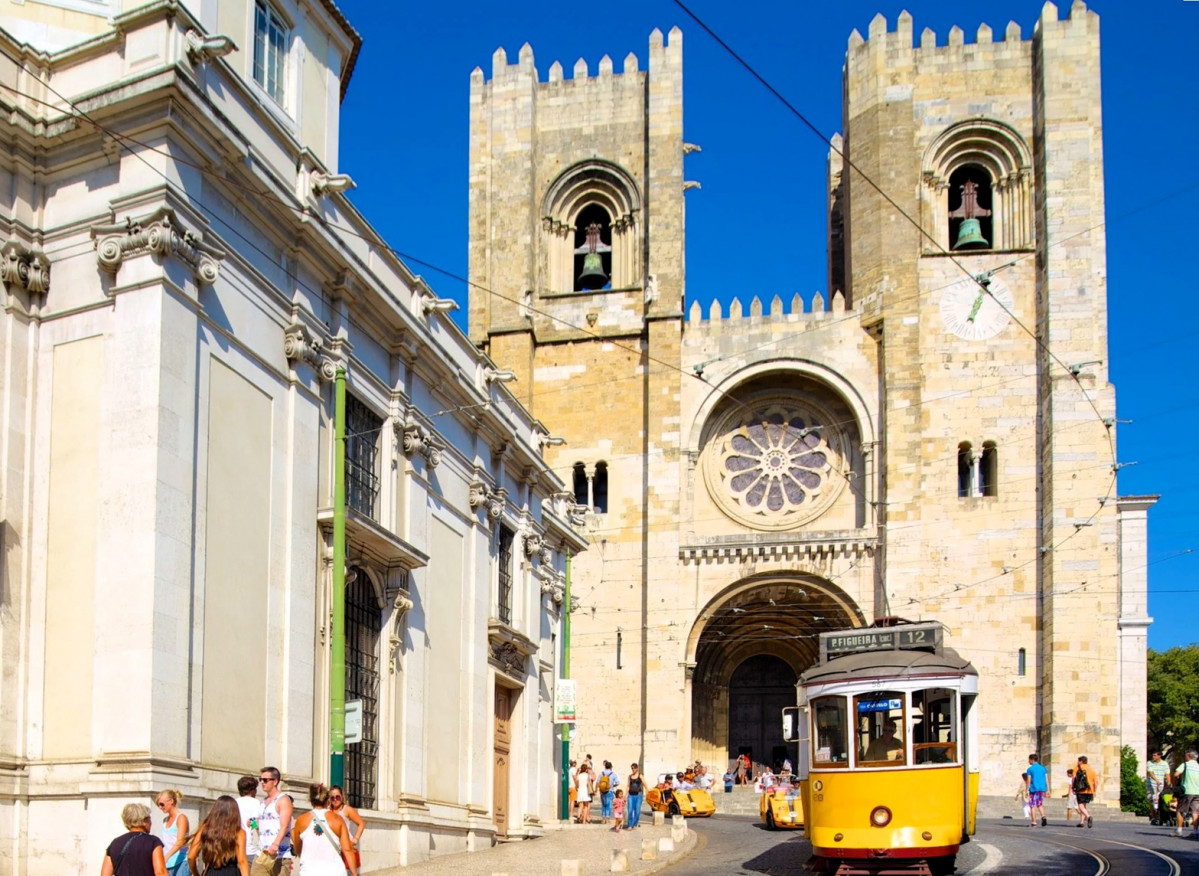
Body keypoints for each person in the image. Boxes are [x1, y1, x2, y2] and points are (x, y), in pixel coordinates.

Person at [290, 784, 358, 876]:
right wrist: (354, 872)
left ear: (311, 801)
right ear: (328, 801)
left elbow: (298, 850)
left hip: (309, 871)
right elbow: (347, 849)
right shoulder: (337, 820)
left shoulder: (301, 820)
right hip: (335, 871)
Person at [186, 794, 249, 876]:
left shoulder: (205, 828)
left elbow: (191, 856)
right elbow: (242, 861)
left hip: (211, 872)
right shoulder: (238, 832)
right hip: (231, 873)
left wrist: (195, 873)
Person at [101, 802, 167, 876]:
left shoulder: (115, 843)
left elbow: (105, 874)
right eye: (149, 819)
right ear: (144, 820)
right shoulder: (153, 842)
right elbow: (160, 872)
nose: (151, 822)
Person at [251, 766, 293, 875]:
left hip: (280, 855)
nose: (262, 783)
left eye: (265, 780)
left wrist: (275, 844)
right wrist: (253, 822)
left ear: (275, 781)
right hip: (262, 854)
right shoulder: (263, 802)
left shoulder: (283, 800)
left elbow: (284, 825)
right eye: (261, 780)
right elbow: (260, 828)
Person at [328, 784, 364, 871]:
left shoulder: (347, 809)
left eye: (337, 797)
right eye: (332, 798)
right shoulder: (328, 810)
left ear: (342, 796)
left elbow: (361, 823)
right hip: (332, 847)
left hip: (346, 846)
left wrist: (356, 838)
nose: (335, 800)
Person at [156, 789, 190, 876]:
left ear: (171, 801)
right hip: (167, 863)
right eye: (158, 805)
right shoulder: (165, 820)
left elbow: (180, 841)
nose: (160, 807)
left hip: (181, 861)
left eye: (162, 804)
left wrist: (166, 857)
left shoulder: (181, 818)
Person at [1172, 748, 1199, 838]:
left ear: (1189, 756)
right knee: (1195, 812)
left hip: (1187, 791)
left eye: (1186, 755)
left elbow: (1176, 774)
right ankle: (1195, 831)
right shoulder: (1198, 766)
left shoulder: (1185, 765)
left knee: (1180, 810)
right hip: (1197, 792)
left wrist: (1180, 778)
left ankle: (1179, 830)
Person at [234, 776, 260, 866]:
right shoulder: (256, 803)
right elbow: (255, 823)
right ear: (252, 790)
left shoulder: (234, 802)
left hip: (235, 847)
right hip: (251, 848)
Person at [1023, 754, 1049, 827]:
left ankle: (1034, 821)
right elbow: (1046, 779)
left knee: (1032, 805)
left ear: (1032, 760)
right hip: (1042, 789)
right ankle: (1043, 816)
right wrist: (1048, 790)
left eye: (1029, 760)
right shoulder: (1043, 768)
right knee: (1039, 804)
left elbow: (1028, 780)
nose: (1028, 761)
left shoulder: (1030, 769)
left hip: (1034, 789)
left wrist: (1026, 790)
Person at [1074, 756, 1098, 828]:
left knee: (1080, 805)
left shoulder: (1078, 768)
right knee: (1084, 806)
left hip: (1081, 789)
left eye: (1078, 761)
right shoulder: (1092, 769)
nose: (1077, 762)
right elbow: (1096, 782)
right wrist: (1094, 791)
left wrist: (1073, 787)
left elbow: (1073, 778)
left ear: (1081, 761)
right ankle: (1081, 822)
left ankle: (1088, 817)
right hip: (1090, 790)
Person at [1146, 750, 1169, 825]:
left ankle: (1161, 816)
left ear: (1159, 756)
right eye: (1153, 755)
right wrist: (1156, 780)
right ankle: (1153, 817)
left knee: (1161, 800)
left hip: (1160, 785)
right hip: (1151, 784)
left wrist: (1169, 782)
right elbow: (1150, 772)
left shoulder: (1164, 764)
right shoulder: (1149, 763)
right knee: (1152, 800)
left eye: (1155, 755)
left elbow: (1167, 774)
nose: (1153, 757)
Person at [597, 760, 619, 825]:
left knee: (603, 805)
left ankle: (603, 819)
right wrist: (612, 785)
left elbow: (598, 782)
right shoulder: (613, 774)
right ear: (611, 767)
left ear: (605, 766)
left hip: (602, 791)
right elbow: (617, 782)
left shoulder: (601, 773)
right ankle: (607, 819)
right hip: (610, 791)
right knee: (609, 805)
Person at [625, 763, 644, 830]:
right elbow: (628, 786)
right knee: (630, 810)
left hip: (638, 794)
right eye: (632, 768)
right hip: (631, 795)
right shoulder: (630, 776)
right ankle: (630, 825)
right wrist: (625, 795)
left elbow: (644, 783)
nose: (633, 769)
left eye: (634, 768)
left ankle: (635, 824)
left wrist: (647, 791)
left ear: (637, 768)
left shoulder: (640, 776)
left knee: (637, 810)